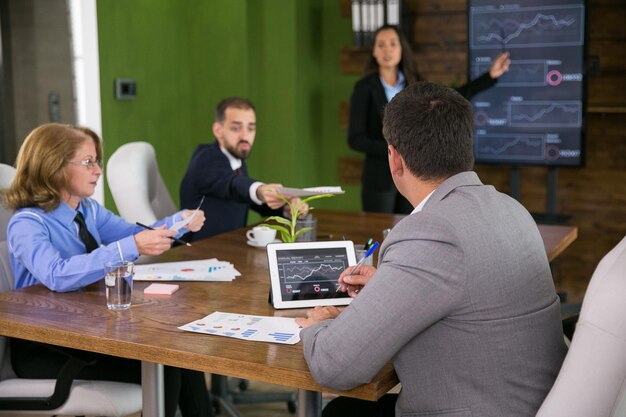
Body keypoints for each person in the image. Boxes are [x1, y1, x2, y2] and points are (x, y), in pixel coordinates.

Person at [297, 82, 566, 417]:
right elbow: (465, 287)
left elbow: (334, 366)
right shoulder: (513, 210)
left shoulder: (431, 232)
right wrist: (389, 284)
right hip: (536, 403)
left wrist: (318, 326)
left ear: (394, 159)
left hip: (478, 407)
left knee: (340, 411)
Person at [4, 123, 213, 417]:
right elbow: (57, 274)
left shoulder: (87, 210)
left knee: (181, 355)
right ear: (54, 166)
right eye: (88, 162)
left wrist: (180, 221)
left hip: (84, 331)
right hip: (47, 347)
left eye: (97, 161)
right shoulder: (28, 223)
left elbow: (134, 233)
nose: (98, 170)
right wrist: (129, 247)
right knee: (166, 369)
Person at [349, 24, 511, 214]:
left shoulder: (414, 84)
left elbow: (448, 98)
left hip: (415, 176)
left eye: (393, 44)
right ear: (374, 52)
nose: (387, 50)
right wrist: (394, 150)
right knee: (379, 234)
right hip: (379, 180)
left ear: (402, 49)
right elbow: (355, 139)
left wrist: (489, 76)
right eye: (381, 45)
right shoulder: (364, 88)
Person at [180, 97, 306, 241]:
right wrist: (260, 190)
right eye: (235, 128)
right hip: (197, 252)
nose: (245, 136)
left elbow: (247, 197)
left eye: (251, 128)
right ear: (218, 130)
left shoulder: (237, 162)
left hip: (229, 248)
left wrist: (285, 207)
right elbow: (231, 184)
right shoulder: (206, 158)